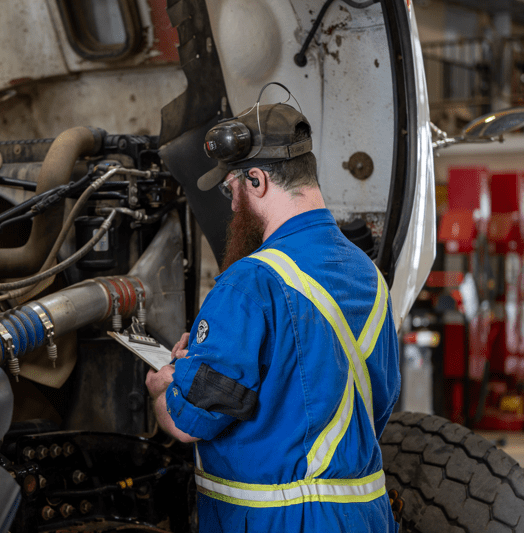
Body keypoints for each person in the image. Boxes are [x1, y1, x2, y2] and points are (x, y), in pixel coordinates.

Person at [145, 94, 401, 532]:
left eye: (231, 188)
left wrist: (162, 389)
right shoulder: (368, 274)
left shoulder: (251, 282)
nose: (232, 204)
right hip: (367, 517)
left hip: (281, 522)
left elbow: (190, 423)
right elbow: (376, 400)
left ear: (257, 180)